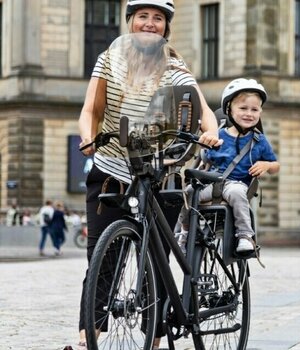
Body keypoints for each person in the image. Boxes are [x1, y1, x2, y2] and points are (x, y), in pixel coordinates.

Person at [66, 1, 222, 349]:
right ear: (131, 22)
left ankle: (155, 336)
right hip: (111, 170)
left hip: (159, 172)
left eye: (158, 19)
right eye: (143, 17)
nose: (150, 24)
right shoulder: (110, 59)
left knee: (155, 258)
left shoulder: (175, 66)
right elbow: (91, 109)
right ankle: (87, 336)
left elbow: (203, 110)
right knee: (101, 257)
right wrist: (87, 135)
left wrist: (210, 132)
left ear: (166, 27)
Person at [175, 78, 280, 254]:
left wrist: (266, 165)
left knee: (237, 193)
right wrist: (205, 146)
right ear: (229, 109)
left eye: (255, 110)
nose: (249, 113)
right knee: (188, 194)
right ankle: (185, 232)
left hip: (235, 185)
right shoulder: (219, 134)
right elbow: (205, 159)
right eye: (243, 108)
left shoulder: (259, 140)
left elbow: (276, 165)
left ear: (260, 112)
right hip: (212, 183)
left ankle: (245, 236)